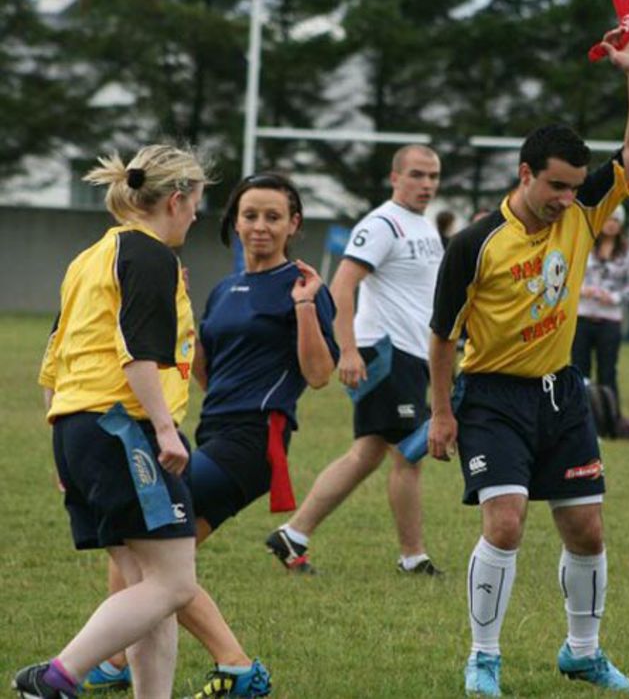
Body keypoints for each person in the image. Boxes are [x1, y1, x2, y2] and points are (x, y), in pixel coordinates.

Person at [428, 32, 629, 697]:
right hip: (494, 395)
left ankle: (581, 653)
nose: (566, 198)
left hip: (563, 393)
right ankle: (485, 659)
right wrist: (443, 412)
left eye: (574, 187)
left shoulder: (584, 212)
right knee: (505, 520)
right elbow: (442, 336)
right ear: (524, 174)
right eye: (555, 185)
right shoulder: (475, 244)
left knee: (585, 526)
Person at [83, 172, 339, 699]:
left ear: (294, 225)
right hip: (213, 433)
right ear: (234, 224)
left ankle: (228, 664)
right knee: (149, 559)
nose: (260, 226)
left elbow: (317, 374)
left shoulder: (303, 286)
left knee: (144, 542)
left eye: (273, 217)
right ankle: (119, 661)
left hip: (253, 443)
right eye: (250, 216)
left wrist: (307, 307)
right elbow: (205, 371)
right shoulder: (224, 290)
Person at [14, 144, 210, 699]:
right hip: (126, 428)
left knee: (147, 585)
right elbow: (136, 353)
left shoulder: (90, 257)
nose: (197, 216)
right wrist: (165, 430)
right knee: (173, 584)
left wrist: (64, 444)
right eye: (197, 203)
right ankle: (54, 679)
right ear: (175, 200)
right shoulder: (149, 255)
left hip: (80, 427)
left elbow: (54, 358)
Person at [266, 144, 445, 575]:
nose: (427, 185)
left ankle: (294, 534)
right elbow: (342, 286)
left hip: (412, 353)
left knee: (367, 453)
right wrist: (347, 350)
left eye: (434, 177)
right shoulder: (382, 224)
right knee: (407, 454)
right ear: (394, 177)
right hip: (385, 353)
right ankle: (412, 557)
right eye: (417, 175)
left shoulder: (421, 225)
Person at [572, 205, 629, 406]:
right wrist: (583, 290)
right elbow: (570, 276)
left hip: (610, 319)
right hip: (582, 315)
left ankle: (609, 417)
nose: (611, 225)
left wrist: (614, 297)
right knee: (578, 370)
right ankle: (577, 416)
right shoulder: (585, 245)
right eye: (608, 220)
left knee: (607, 371)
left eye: (616, 221)